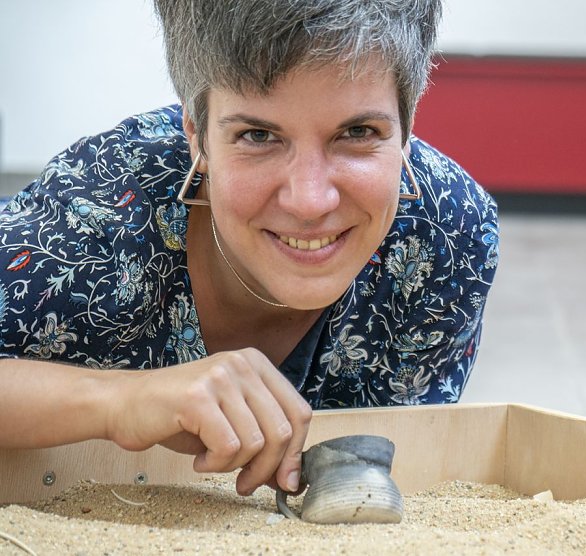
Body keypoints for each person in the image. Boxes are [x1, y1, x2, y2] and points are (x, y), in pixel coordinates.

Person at [0, 0, 498, 498]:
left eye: (358, 132)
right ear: (196, 137)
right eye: (257, 135)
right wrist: (119, 402)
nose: (309, 201)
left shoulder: (447, 235)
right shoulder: (98, 214)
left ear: (407, 132)